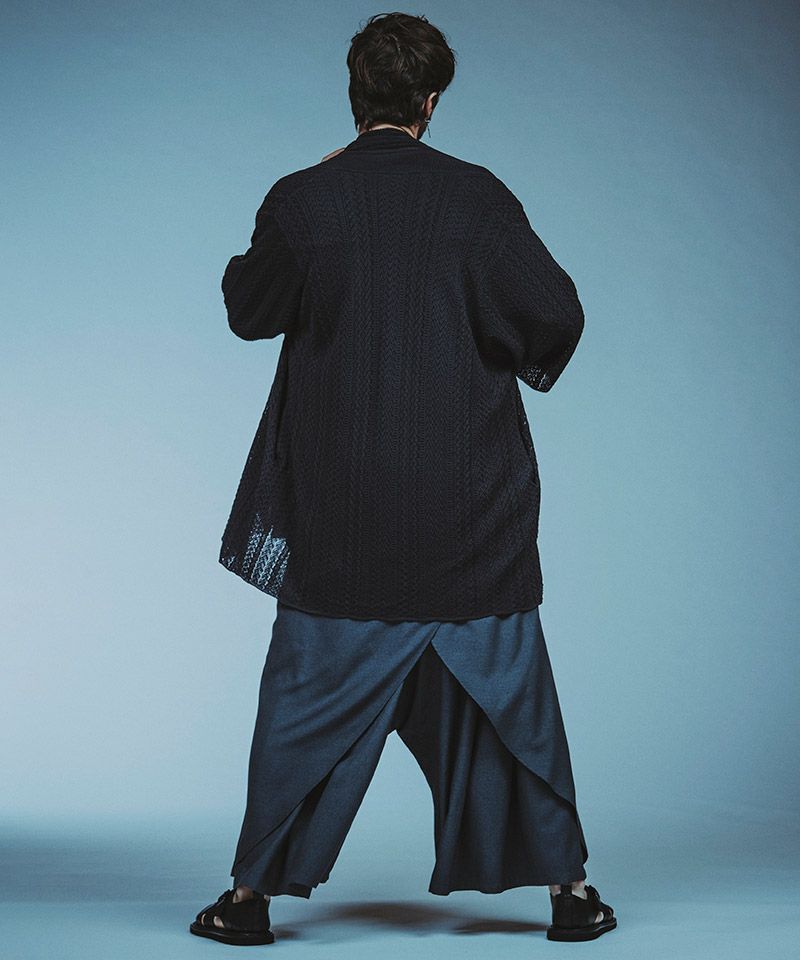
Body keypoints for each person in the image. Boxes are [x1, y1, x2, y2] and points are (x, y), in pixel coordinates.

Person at [189, 11, 616, 947]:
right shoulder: (479, 200)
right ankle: (572, 895)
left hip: (339, 514)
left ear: (355, 95)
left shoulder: (302, 201)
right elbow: (555, 315)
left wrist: (283, 238)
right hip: (469, 509)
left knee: (304, 697)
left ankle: (248, 902)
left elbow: (249, 310)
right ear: (431, 101)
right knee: (513, 693)